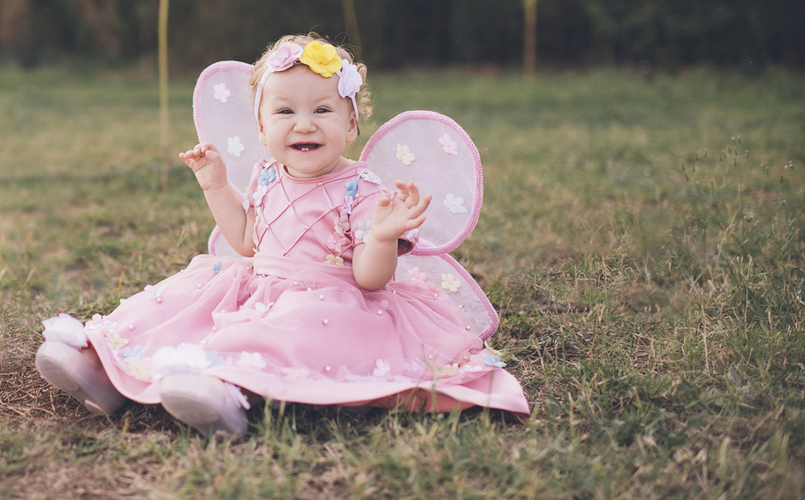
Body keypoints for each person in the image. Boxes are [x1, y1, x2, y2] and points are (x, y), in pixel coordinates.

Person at [36, 34, 529, 439]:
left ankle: (225, 397)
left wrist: (381, 237)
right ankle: (101, 372)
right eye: (285, 112)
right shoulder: (268, 174)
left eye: (323, 111)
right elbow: (248, 241)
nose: (304, 124)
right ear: (261, 126)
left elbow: (370, 279)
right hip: (259, 283)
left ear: (351, 123)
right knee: (179, 308)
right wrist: (215, 185)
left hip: (327, 299)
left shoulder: (363, 188)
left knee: (275, 334)